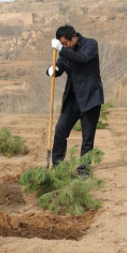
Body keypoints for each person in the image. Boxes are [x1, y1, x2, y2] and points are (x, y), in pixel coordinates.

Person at [47, 25, 103, 178]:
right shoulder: (66, 52)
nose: (65, 46)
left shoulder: (90, 44)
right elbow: (61, 64)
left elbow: (83, 58)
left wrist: (62, 49)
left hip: (91, 98)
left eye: (66, 43)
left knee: (87, 137)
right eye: (62, 44)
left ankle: (84, 169)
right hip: (72, 100)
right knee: (60, 131)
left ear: (73, 37)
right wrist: (53, 70)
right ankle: (57, 165)